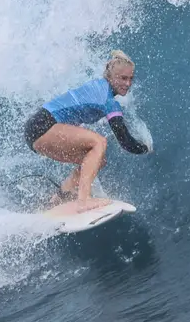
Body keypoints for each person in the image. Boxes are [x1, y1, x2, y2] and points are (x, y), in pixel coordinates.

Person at [23, 50, 150, 212]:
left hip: (37, 129)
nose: (128, 83)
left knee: (97, 160)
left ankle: (61, 197)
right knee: (99, 142)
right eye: (123, 78)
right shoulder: (109, 101)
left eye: (131, 79)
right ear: (110, 77)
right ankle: (84, 201)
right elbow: (125, 141)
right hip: (43, 125)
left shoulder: (99, 86)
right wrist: (146, 149)